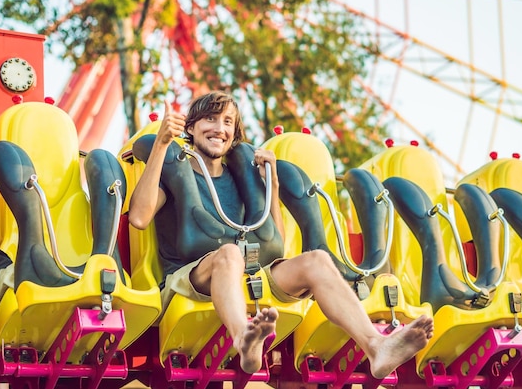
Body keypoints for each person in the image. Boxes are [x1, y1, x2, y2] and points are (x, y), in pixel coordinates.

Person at [128, 91, 434, 377]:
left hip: (250, 274)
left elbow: (274, 243)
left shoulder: (239, 176)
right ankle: (243, 338)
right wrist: (161, 144)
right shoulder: (176, 174)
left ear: (234, 134)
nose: (219, 128)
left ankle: (377, 346)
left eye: (228, 122)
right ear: (191, 129)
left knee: (316, 260)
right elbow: (139, 217)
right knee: (230, 254)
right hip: (190, 278)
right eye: (210, 119)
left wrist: (270, 185)